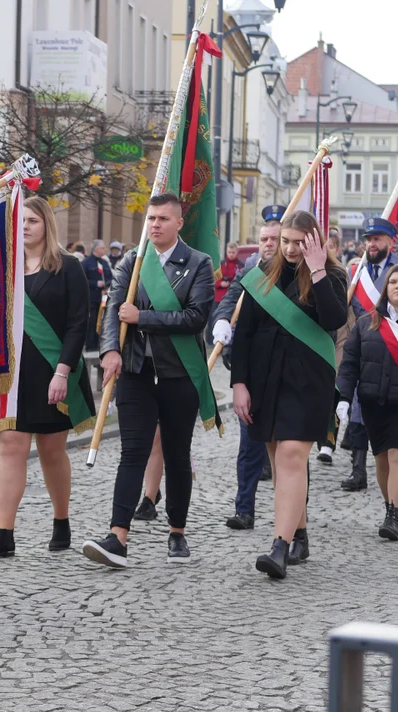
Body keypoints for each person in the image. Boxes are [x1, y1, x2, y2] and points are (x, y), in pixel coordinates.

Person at [81, 193, 216, 568]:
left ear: (178, 223)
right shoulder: (132, 261)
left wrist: (143, 318)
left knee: (176, 454)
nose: (154, 224)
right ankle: (118, 536)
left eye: (162, 219)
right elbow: (114, 310)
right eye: (151, 218)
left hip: (178, 374)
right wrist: (110, 350)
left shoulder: (198, 263)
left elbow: (195, 318)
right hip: (136, 372)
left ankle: (177, 533)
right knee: (132, 453)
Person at [231, 210, 348, 579]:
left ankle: (278, 547)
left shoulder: (332, 276)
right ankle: (299, 532)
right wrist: (239, 384)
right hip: (265, 379)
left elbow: (333, 320)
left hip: (308, 380)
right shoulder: (263, 275)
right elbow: (245, 333)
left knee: (292, 455)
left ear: (314, 241)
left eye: (301, 242)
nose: (292, 248)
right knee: (280, 460)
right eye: (286, 241)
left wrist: (316, 271)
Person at [0, 197, 94, 559]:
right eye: (21, 221)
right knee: (10, 447)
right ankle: (4, 532)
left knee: (51, 450)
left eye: (32, 220)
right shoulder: (3, 270)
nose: (25, 226)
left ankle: (61, 520)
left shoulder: (69, 268)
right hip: (13, 375)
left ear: (47, 226)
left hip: (52, 369)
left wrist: (63, 370)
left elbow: (78, 324)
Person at [212, 205, 284, 531]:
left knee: (288, 449)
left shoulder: (295, 271)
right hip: (253, 372)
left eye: (274, 238)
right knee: (249, 445)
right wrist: (222, 323)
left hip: (286, 371)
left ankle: (296, 518)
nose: (268, 243)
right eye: (263, 238)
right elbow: (230, 300)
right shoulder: (250, 268)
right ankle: (245, 509)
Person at [337, 264, 398, 540]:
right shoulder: (367, 323)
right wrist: (343, 397)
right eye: (393, 282)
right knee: (381, 460)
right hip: (373, 402)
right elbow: (350, 363)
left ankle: (395, 516)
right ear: (385, 288)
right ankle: (389, 505)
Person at [342, 217, 398, 491]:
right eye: (368, 239)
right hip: (364, 346)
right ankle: (358, 471)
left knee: (394, 443)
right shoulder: (357, 270)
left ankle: (394, 504)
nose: (371, 244)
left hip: (395, 352)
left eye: (377, 239)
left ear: (390, 241)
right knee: (358, 414)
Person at [316, 229, 357, 465]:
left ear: (337, 249)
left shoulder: (344, 271)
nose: (325, 251)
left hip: (341, 335)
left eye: (329, 246)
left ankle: (328, 443)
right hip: (319, 335)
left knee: (336, 388)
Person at [82, 239, 113, 351]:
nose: (104, 250)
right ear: (96, 249)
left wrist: (107, 283)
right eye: (102, 248)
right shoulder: (86, 263)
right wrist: (95, 283)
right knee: (92, 320)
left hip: (104, 297)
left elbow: (110, 276)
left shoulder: (104, 263)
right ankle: (91, 345)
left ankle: (101, 343)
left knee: (104, 320)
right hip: (92, 297)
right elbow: (82, 279)